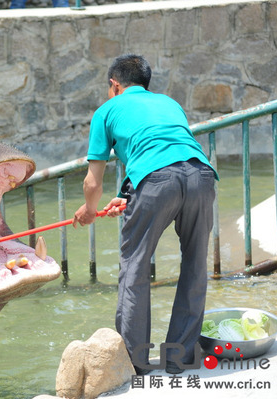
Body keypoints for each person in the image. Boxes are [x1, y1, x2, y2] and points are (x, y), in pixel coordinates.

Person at [72, 54, 218, 375]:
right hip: (201, 175)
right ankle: (178, 359)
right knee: (195, 265)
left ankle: (134, 362)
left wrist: (90, 210)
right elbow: (170, 154)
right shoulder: (169, 102)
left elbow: (92, 181)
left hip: (154, 181)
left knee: (134, 268)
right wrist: (128, 196)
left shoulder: (106, 111)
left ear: (114, 85)